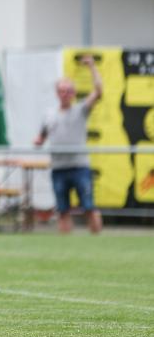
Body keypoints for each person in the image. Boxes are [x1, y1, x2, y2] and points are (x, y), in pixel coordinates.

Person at [34, 55, 103, 234]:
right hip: (58, 168)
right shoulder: (49, 115)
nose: (65, 94)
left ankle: (99, 242)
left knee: (89, 207)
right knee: (62, 210)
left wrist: (92, 68)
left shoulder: (81, 110)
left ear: (73, 93)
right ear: (57, 93)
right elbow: (41, 137)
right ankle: (65, 246)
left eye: (68, 91)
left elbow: (98, 92)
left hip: (79, 166)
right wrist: (38, 141)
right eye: (61, 91)